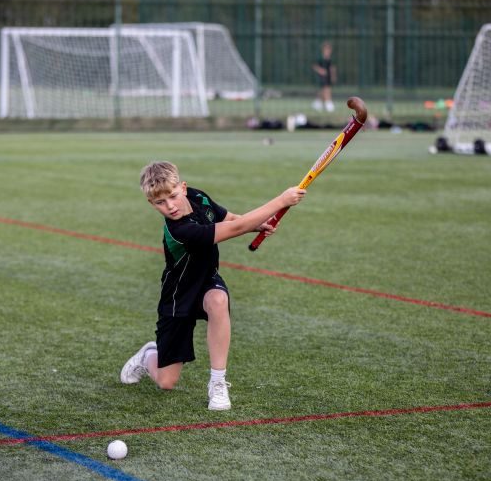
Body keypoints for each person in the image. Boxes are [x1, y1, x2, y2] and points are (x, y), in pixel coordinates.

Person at [121, 161, 306, 410]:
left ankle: (217, 383)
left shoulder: (198, 197)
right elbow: (235, 228)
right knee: (166, 382)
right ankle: (148, 355)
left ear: (183, 188)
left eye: (173, 197)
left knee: (218, 301)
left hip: (207, 278)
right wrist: (281, 200)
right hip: (178, 295)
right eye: (160, 203)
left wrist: (257, 224)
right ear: (151, 203)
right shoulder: (179, 231)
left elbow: (229, 219)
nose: (170, 206)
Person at [312, 41, 337, 112]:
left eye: (329, 50)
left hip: (328, 77)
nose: (328, 51)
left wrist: (333, 76)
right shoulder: (320, 59)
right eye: (326, 49)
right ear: (323, 50)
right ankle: (328, 103)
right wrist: (321, 71)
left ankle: (318, 103)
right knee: (326, 89)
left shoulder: (330, 59)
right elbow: (315, 66)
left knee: (325, 89)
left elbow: (332, 68)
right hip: (322, 77)